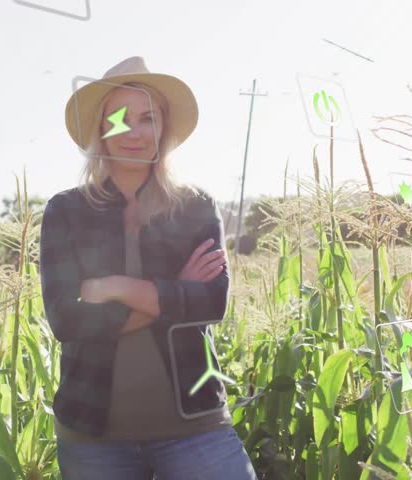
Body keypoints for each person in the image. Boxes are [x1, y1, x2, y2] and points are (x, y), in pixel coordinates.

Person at [39, 56, 257, 480]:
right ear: (100, 129)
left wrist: (116, 286)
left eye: (147, 118)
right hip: (92, 436)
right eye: (119, 119)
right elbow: (66, 319)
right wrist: (174, 292)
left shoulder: (195, 206)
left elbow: (211, 302)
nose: (134, 132)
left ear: (164, 128)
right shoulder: (65, 210)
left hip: (196, 428)